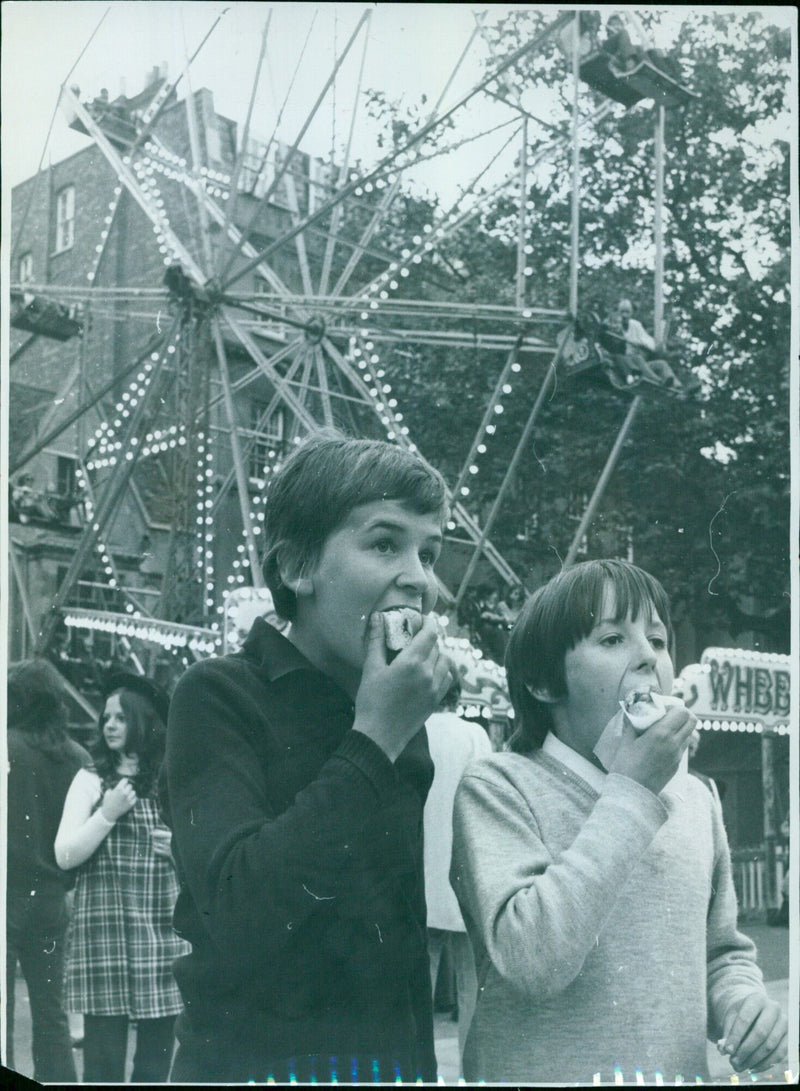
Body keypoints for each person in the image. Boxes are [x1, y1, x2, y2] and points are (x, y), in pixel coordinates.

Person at [163, 432, 453, 1084]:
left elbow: (400, 944)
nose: (419, 576)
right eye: (385, 543)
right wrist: (374, 738)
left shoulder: (400, 718)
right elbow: (240, 911)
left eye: (429, 552)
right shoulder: (216, 696)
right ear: (296, 567)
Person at [450, 559, 788, 1084]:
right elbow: (532, 959)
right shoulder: (497, 786)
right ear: (542, 681)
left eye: (657, 638)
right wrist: (631, 791)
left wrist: (743, 1004)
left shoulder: (697, 798)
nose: (649, 657)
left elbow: (721, 951)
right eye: (612, 640)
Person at [55, 672, 189, 1083]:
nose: (109, 725)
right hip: (105, 937)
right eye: (106, 718)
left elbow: (204, 864)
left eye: (120, 718)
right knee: (103, 1065)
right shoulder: (91, 780)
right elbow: (64, 855)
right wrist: (106, 814)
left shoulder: (172, 783)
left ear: (144, 723)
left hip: (159, 937)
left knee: (154, 1062)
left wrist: (179, 852)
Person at [5, 659, 91, 1082]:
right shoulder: (78, 757)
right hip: (53, 898)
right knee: (51, 1013)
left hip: (6, 895)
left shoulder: (6, 747)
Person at [423, 684, 493, 1071]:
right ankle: (471, 1072)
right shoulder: (473, 735)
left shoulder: (417, 730)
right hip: (465, 869)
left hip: (421, 869)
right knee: (472, 984)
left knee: (421, 980)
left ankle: (421, 1069)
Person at [615, 298, 686, 390]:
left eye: (627, 312)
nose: (624, 315)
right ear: (618, 313)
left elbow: (647, 341)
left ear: (631, 313)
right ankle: (658, 381)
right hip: (628, 365)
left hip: (640, 364)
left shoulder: (635, 325)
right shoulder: (615, 325)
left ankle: (678, 387)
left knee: (661, 364)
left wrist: (659, 346)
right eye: (622, 312)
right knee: (638, 358)